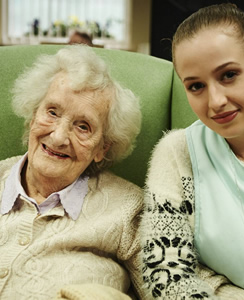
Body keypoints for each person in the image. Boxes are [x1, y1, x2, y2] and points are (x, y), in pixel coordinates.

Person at [141, 3, 244, 300]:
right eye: (196, 86)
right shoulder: (178, 155)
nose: (215, 101)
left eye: (228, 75)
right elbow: (164, 273)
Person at [0, 45, 144, 299]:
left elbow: (180, 282)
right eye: (52, 112)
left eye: (83, 127)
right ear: (33, 116)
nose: (58, 138)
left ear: (102, 148)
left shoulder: (128, 209)